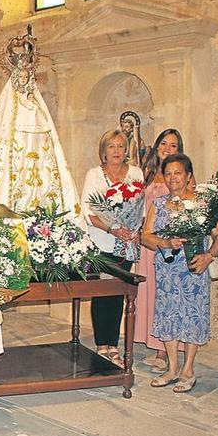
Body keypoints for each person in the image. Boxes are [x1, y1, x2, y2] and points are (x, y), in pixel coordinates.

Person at [141, 154, 218, 393]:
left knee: (192, 316)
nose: (173, 179)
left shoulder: (202, 204)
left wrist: (209, 255)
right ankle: (172, 368)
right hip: (168, 270)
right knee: (169, 315)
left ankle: (188, 370)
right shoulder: (159, 204)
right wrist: (166, 242)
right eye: (168, 174)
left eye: (178, 173)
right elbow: (146, 236)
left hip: (194, 270)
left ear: (189, 175)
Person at [80, 130, 144, 368]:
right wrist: (112, 228)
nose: (116, 151)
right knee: (102, 292)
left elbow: (142, 206)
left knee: (118, 293)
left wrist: (134, 230)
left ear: (126, 150)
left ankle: (113, 344)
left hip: (126, 243)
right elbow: (88, 211)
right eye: (111, 147)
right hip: (102, 241)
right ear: (103, 151)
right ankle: (101, 344)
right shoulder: (94, 174)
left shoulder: (135, 173)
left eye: (120, 146)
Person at [134, 129, 184, 371]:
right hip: (149, 242)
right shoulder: (149, 172)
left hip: (170, 243)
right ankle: (155, 343)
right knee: (151, 291)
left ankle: (165, 351)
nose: (167, 148)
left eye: (173, 145)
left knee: (167, 294)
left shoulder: (180, 175)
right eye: (164, 143)